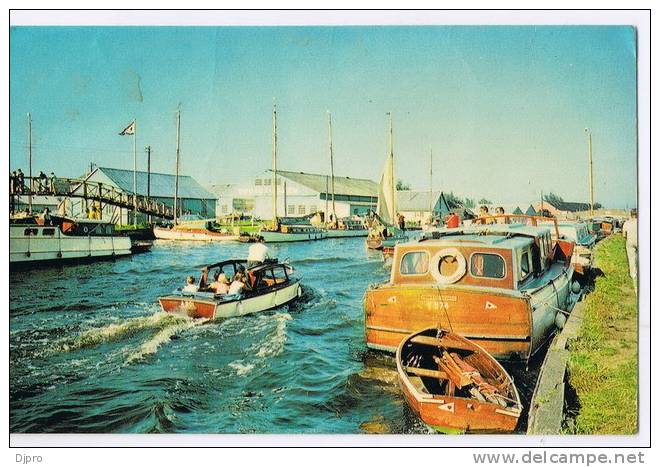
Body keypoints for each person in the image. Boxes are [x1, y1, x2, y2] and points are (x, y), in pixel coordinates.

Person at [622, 209, 638, 293]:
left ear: (631, 214)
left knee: (631, 259)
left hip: (630, 242)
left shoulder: (626, 223)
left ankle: (633, 276)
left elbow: (624, 235)